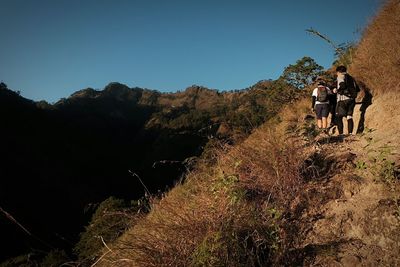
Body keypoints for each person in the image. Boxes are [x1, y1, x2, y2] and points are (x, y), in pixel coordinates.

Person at [333, 65, 360, 135]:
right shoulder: (352, 78)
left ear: (338, 72)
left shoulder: (340, 77)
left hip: (343, 100)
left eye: (337, 72)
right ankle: (350, 133)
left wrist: (337, 90)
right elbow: (357, 89)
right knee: (349, 116)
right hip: (352, 99)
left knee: (338, 117)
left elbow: (342, 86)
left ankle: (341, 134)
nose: (337, 74)